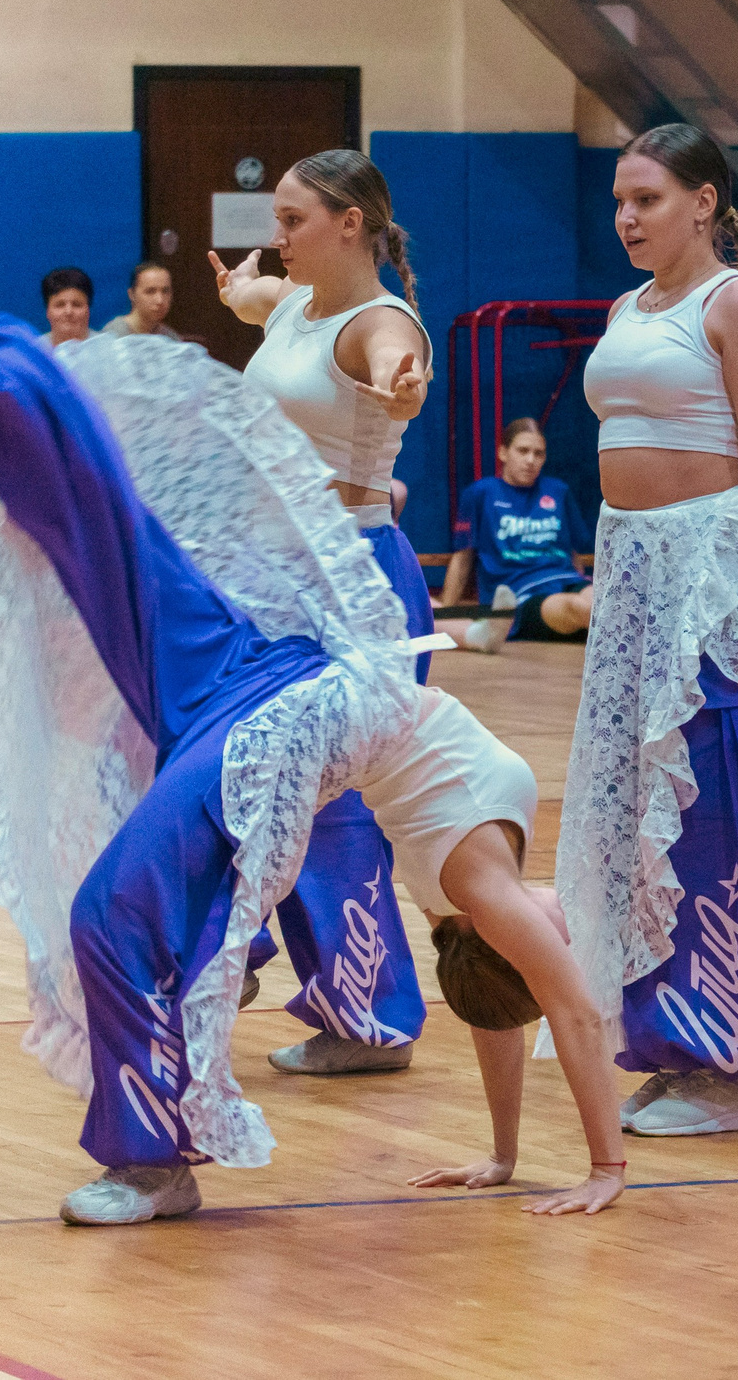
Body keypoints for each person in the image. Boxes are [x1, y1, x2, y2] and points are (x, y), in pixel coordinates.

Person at [0, 203, 624, 1227]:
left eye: (541, 941)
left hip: (289, 717)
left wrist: (604, 1167)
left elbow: (565, 1005)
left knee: (112, 909)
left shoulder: (484, 888)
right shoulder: (489, 897)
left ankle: (156, 1164)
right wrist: (501, 1156)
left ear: (493, 944)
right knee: (114, 544)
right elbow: (508, 1014)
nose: (569, 930)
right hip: (283, 667)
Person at [564, 123, 738, 1140]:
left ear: (703, 202)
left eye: (646, 199)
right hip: (633, 572)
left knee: (712, 806)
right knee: (642, 805)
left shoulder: (735, 305)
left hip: (712, 573)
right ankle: (666, 1044)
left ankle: (724, 1058)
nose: (627, 218)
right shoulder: (626, 308)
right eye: (619, 201)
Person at [210, 149, 437, 1076]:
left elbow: (396, 362)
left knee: (330, 803)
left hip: (350, 579)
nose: (277, 236)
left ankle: (366, 1014)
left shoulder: (380, 324)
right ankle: (240, 949)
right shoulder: (295, 302)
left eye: (292, 220)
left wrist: (404, 385)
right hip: (272, 579)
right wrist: (239, 291)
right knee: (234, 763)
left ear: (351, 223)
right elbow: (258, 301)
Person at [441, 417, 594, 652]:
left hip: (567, 579)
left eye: (538, 453)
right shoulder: (481, 493)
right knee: (580, 608)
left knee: (605, 603)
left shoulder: (558, 491)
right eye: (523, 451)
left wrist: (581, 579)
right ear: (503, 452)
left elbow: (572, 553)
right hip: (520, 594)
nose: (531, 460)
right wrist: (444, 618)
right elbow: (462, 560)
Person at [103, 261, 186, 340]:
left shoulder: (171, 339)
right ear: (131, 294)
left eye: (165, 291)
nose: (160, 300)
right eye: (150, 291)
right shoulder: (113, 336)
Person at [41, 266, 93, 346]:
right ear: (48, 311)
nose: (68, 312)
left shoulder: (109, 348)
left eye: (76, 305)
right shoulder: (33, 350)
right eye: (60, 305)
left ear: (88, 310)